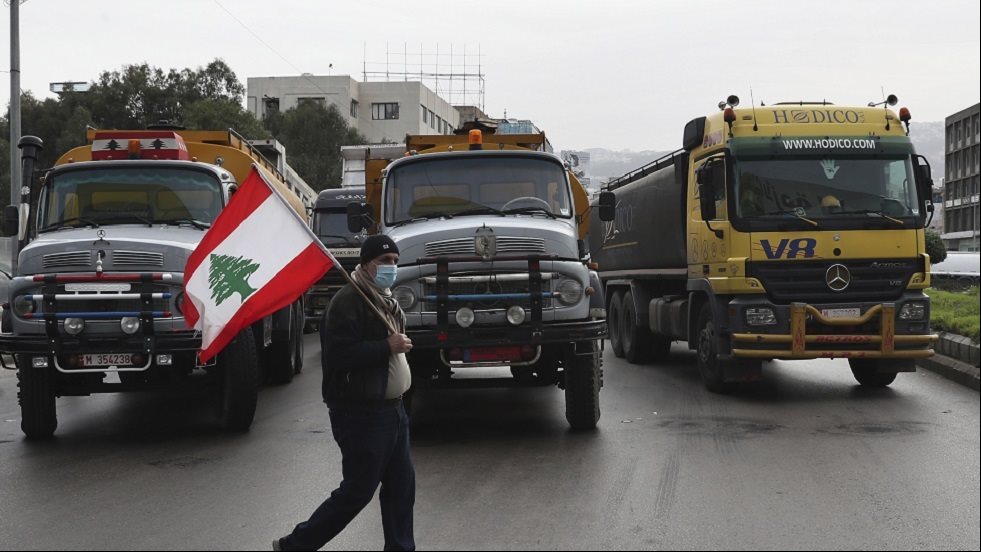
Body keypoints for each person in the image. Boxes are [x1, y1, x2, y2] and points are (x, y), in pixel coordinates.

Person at [274, 234, 415, 551]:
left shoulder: (384, 299)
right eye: (384, 262)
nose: (391, 267)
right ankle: (296, 545)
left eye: (394, 261)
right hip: (362, 413)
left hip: (393, 411)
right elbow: (338, 356)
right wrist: (386, 347)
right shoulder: (348, 302)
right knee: (357, 491)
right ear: (366, 265)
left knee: (401, 488)